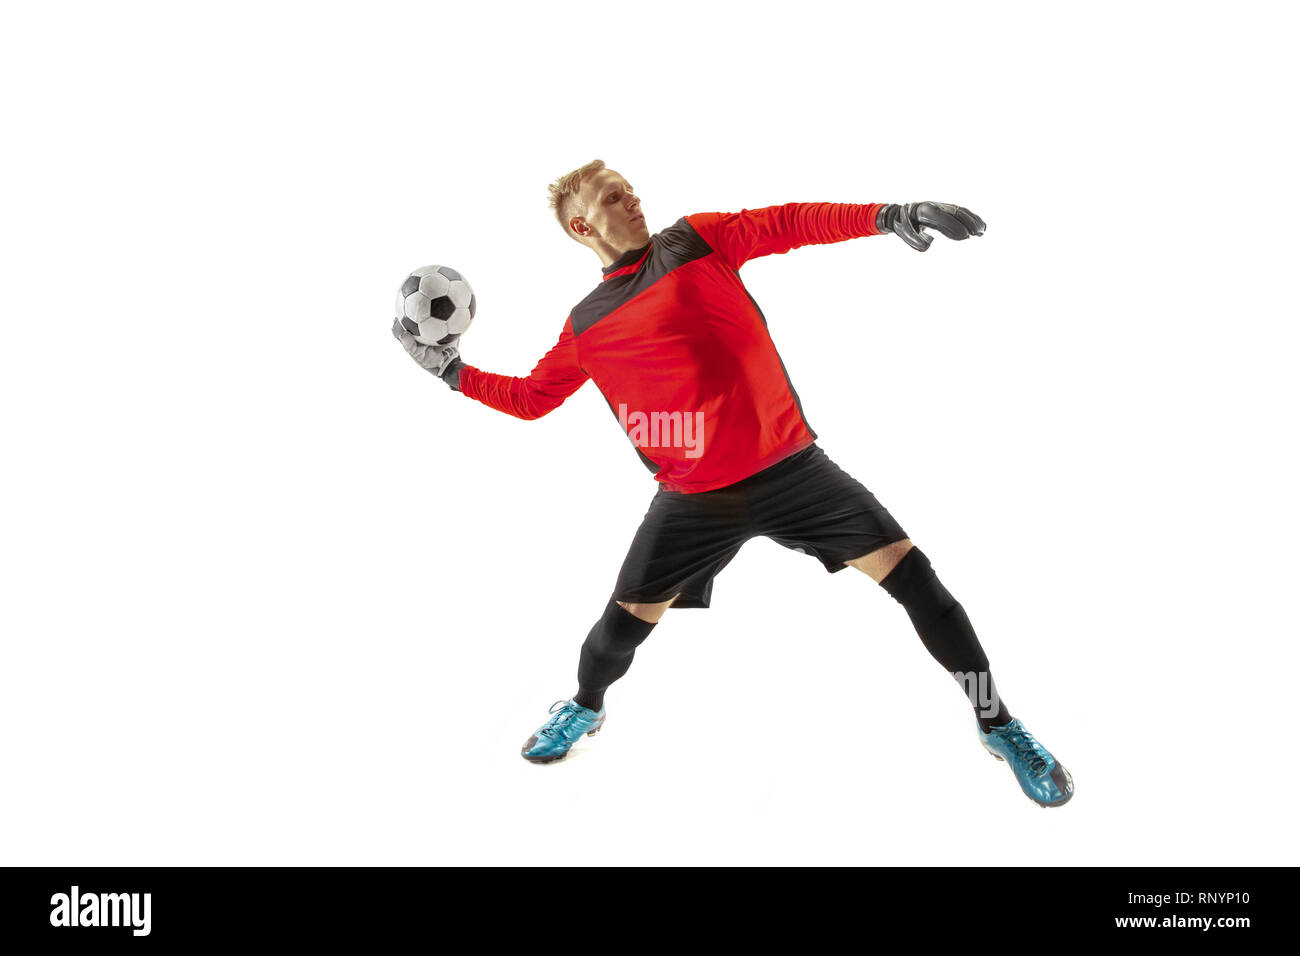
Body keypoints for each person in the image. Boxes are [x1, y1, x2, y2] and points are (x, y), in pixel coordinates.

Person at [391, 159, 1073, 807]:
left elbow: (788, 222)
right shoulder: (587, 324)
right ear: (582, 227)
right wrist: (451, 372)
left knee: (924, 588)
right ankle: (583, 707)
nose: (631, 198)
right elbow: (533, 397)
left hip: (798, 472)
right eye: (611, 196)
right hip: (694, 501)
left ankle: (999, 724)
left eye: (628, 186)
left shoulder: (695, 240)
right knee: (613, 639)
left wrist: (890, 214)